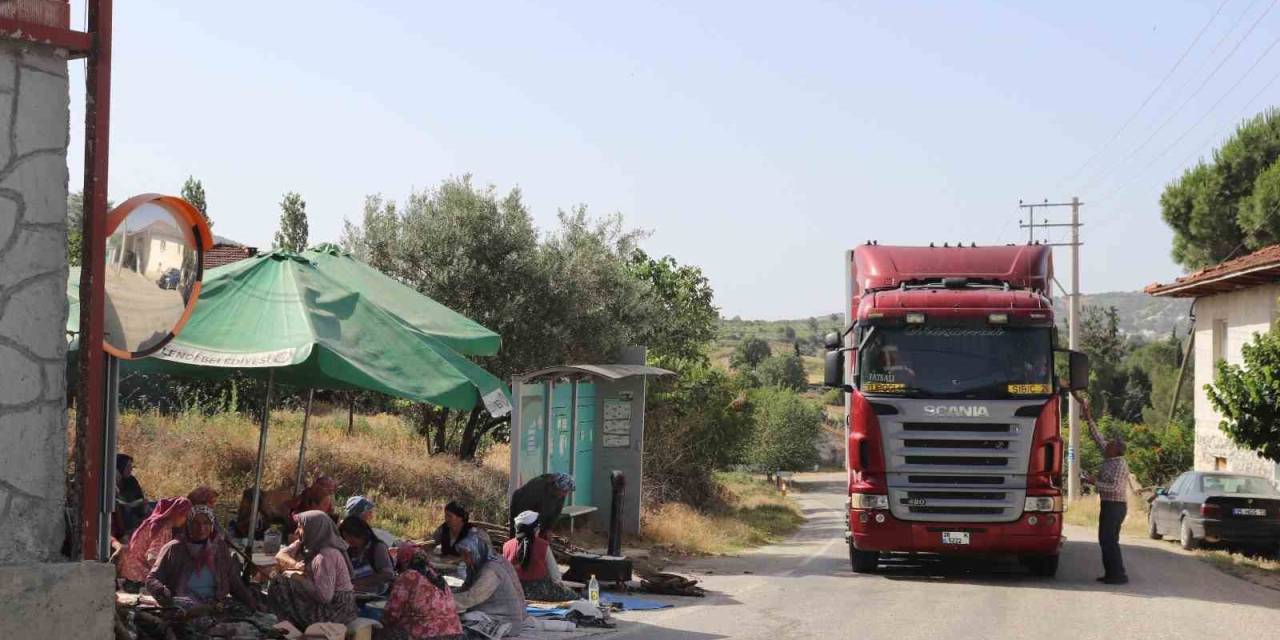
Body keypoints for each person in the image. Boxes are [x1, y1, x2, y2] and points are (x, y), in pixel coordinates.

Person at [145, 506, 260, 611]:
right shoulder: (174, 548)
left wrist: (251, 603)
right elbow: (151, 579)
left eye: (206, 523)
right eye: (196, 523)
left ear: (212, 526)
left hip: (215, 604)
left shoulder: (219, 547)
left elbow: (233, 580)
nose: (201, 528)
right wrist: (161, 591)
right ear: (188, 525)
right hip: (184, 605)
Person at [268, 510, 359, 628]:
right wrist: (295, 566)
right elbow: (280, 555)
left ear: (314, 529)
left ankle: (290, 626)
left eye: (300, 527)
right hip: (331, 604)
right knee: (277, 577)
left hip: (336, 610)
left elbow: (324, 597)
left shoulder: (325, 555)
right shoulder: (308, 545)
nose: (296, 531)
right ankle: (287, 625)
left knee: (279, 583)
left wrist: (299, 579)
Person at [1076, 391, 1130, 585]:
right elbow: (1096, 435)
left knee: (1109, 540)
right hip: (1109, 506)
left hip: (1115, 507)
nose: (1105, 445)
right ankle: (1112, 574)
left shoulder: (1119, 465)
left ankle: (1118, 575)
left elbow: (1114, 488)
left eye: (1110, 444)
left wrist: (1092, 481)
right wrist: (1087, 413)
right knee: (1106, 540)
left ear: (1117, 450)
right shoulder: (1110, 457)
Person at [375, 546, 464, 640]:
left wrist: (377, 624)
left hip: (428, 634)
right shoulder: (437, 576)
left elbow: (392, 613)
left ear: (403, 560)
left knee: (383, 631)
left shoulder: (409, 576)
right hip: (455, 632)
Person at [451, 532, 527, 638]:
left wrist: (440, 602)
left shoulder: (491, 570)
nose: (464, 558)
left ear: (478, 551)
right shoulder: (476, 565)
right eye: (462, 554)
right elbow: (466, 587)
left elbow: (472, 597)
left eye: (466, 554)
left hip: (504, 620)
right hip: (487, 613)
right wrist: (445, 594)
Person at [502, 511, 577, 603]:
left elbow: (504, 572)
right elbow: (556, 578)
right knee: (573, 595)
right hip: (541, 592)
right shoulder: (543, 545)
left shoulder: (506, 546)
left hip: (516, 592)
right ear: (535, 529)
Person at [119, 496, 192, 585]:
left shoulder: (152, 523)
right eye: (184, 515)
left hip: (130, 574)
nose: (184, 520)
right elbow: (152, 557)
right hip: (139, 577)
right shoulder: (163, 528)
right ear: (175, 513)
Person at [339, 515, 395, 595]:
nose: (348, 540)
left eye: (350, 537)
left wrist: (360, 582)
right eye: (346, 537)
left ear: (360, 533)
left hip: (377, 594)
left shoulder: (377, 548)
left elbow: (387, 574)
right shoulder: (350, 550)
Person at [508, 473, 575, 538]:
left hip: (537, 511)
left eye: (567, 492)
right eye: (565, 491)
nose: (565, 494)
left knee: (539, 536)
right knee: (518, 531)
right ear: (557, 486)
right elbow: (525, 509)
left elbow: (556, 512)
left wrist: (549, 529)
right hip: (521, 504)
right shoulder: (538, 486)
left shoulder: (560, 494)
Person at [113, 454, 149, 539]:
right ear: (120, 467)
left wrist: (142, 505)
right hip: (122, 519)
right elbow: (114, 502)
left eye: (131, 466)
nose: (131, 469)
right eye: (128, 466)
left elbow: (140, 498)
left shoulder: (131, 481)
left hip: (136, 514)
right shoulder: (111, 482)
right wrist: (130, 504)